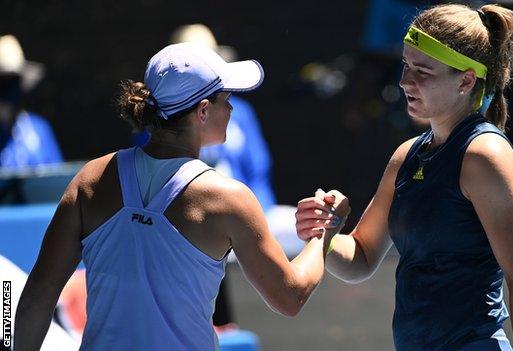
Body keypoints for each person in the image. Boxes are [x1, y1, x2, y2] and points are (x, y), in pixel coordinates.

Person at [14, 42, 349, 350]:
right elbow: (289, 298)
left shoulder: (90, 180)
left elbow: (33, 296)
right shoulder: (228, 199)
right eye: (226, 98)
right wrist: (324, 234)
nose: (232, 108)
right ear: (203, 111)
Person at [296, 4, 513, 350]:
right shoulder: (406, 156)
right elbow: (362, 257)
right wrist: (327, 233)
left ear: (465, 80)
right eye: (406, 65)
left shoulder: (485, 156)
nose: (404, 81)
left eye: (423, 71)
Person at [0, 34, 63, 169]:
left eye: (14, 80)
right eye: (3, 81)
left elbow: (56, 181)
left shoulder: (39, 129)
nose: (8, 89)